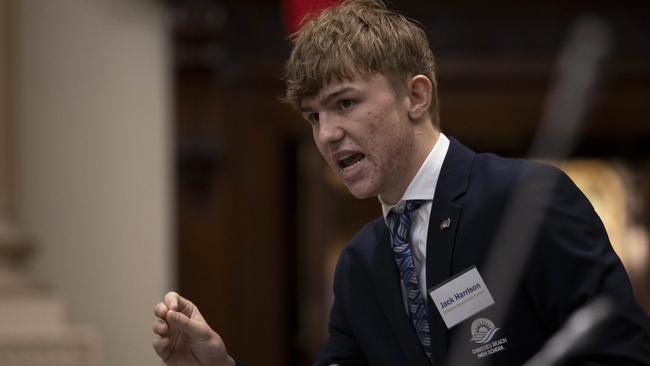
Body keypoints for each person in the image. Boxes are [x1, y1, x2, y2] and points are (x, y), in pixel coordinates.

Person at [152, 1, 650, 365]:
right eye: (313, 116)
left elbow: (621, 352)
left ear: (415, 96)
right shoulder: (360, 263)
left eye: (345, 103)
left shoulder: (527, 198)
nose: (326, 134)